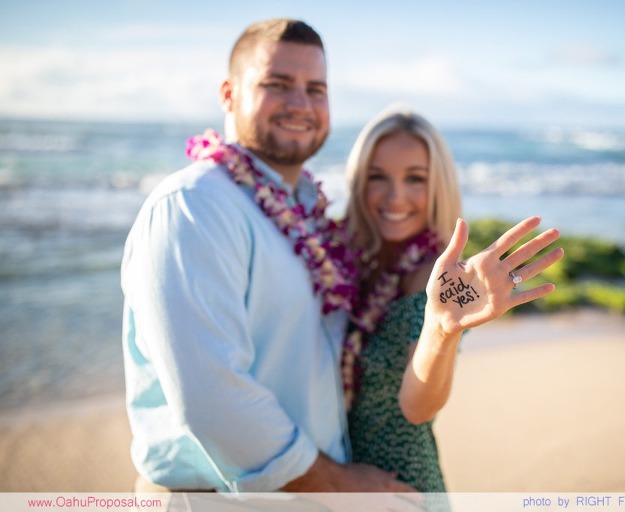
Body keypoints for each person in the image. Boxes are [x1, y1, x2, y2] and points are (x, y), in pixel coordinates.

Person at [121, 18, 416, 493]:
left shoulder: (309, 213)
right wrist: (339, 484)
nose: (301, 104)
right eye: (277, 85)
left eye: (316, 89)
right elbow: (213, 398)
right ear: (228, 93)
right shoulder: (196, 205)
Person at [341, 106, 565, 492]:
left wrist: (442, 329)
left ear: (439, 186)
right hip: (331, 479)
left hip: (399, 489)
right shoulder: (346, 263)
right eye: (378, 177)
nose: (395, 197)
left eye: (415, 179)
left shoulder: (436, 279)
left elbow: (419, 408)